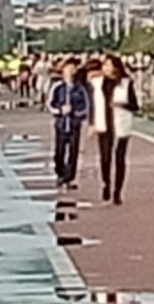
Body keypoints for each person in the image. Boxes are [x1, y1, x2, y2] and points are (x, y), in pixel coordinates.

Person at [92, 53, 138, 205]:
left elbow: (135, 106)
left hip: (121, 124)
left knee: (120, 159)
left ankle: (118, 191)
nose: (107, 68)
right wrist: (92, 123)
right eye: (105, 65)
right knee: (105, 158)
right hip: (104, 125)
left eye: (110, 65)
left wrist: (122, 105)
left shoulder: (126, 83)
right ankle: (106, 183)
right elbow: (93, 104)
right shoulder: (97, 83)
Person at [49, 58, 90, 189]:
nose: (71, 71)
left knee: (73, 152)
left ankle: (69, 177)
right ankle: (60, 173)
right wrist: (60, 110)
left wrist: (76, 112)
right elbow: (50, 104)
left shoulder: (80, 89)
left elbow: (85, 106)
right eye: (68, 68)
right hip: (61, 124)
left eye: (73, 68)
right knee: (59, 152)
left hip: (74, 124)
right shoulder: (57, 87)